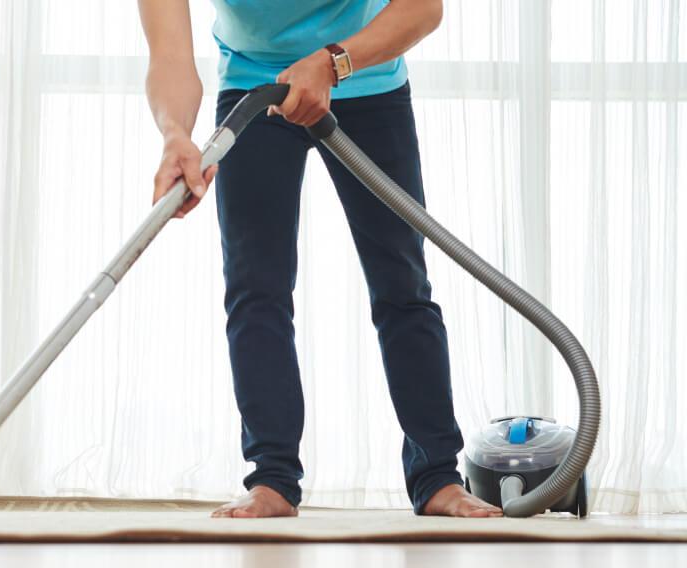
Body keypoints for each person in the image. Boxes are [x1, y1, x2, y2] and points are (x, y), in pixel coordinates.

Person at [137, 0, 503, 518]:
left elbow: (423, 9)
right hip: (254, 89)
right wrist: (175, 134)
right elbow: (170, 53)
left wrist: (333, 62)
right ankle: (272, 480)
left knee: (402, 284)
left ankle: (438, 476)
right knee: (255, 287)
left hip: (364, 78)